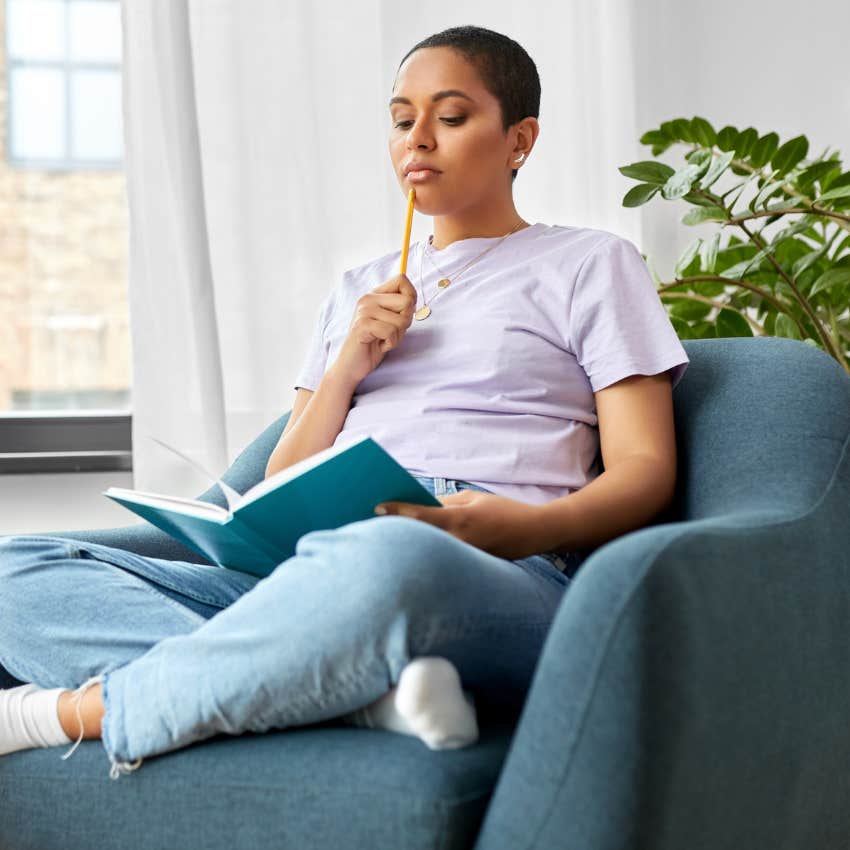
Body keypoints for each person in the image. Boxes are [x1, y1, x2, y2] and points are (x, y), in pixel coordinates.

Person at [0, 25, 689, 780]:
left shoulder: (590, 263)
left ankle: (69, 714)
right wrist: (345, 369)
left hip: (488, 564)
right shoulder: (356, 291)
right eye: (401, 121)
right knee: (17, 567)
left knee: (383, 556)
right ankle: (347, 693)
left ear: (519, 140)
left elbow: (646, 467)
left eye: (450, 118)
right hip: (312, 569)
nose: (416, 140)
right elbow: (282, 477)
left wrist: (526, 527)